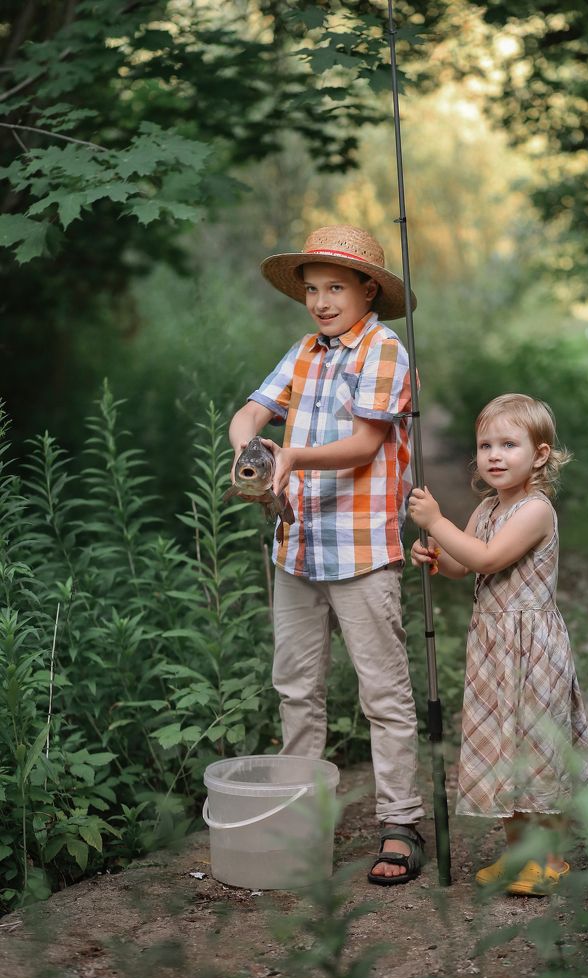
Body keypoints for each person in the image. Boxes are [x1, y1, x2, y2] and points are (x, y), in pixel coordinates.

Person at [228, 224, 426, 885]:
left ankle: (401, 824)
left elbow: (365, 445)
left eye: (335, 287)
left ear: (367, 289)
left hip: (363, 547)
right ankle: (299, 816)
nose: (320, 301)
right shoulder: (305, 352)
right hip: (297, 546)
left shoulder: (385, 350)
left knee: (384, 694)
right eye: (311, 289)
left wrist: (292, 456)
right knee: (296, 690)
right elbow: (253, 409)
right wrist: (248, 444)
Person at [409, 393, 588, 895]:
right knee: (502, 748)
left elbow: (490, 560)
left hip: (532, 651)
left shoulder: (536, 511)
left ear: (538, 455)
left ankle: (549, 859)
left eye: (509, 444)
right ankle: (518, 854)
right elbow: (462, 565)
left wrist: (437, 522)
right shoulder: (489, 507)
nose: (494, 454)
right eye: (486, 445)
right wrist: (435, 553)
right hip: (493, 651)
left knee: (537, 749)